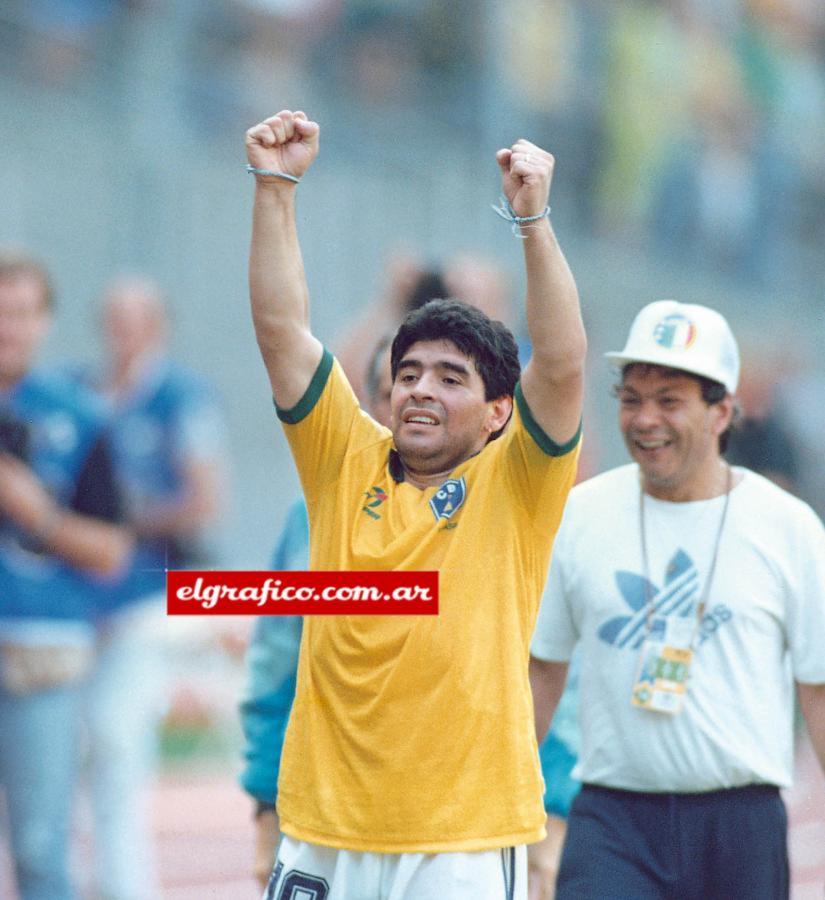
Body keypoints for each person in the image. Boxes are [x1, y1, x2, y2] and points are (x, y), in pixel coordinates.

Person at [245, 109, 585, 897]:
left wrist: (532, 223)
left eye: (450, 376)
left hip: (457, 842)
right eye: (408, 373)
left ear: (498, 409)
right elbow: (279, 331)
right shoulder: (342, 461)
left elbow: (562, 366)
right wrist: (274, 187)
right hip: (322, 828)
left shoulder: (518, 482)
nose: (420, 389)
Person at [530, 299, 825, 900]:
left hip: (740, 826)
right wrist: (493, 800)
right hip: (613, 821)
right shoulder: (582, 513)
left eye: (669, 400)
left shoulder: (788, 527)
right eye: (631, 398)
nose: (645, 419)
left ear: (722, 411)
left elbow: (817, 689)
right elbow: (542, 669)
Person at [74, 276, 227, 900]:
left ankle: (124, 885)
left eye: (136, 319)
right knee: (72, 747)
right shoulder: (82, 391)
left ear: (159, 326)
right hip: (78, 596)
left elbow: (206, 500)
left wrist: (120, 517)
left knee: (116, 738)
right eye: (115, 318)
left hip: (147, 589)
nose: (124, 332)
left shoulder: (182, 399)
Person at [0, 250, 133, 900]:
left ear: (46, 321)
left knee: (39, 846)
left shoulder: (79, 417)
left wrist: (39, 515)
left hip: (39, 653)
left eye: (22, 312)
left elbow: (112, 550)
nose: (8, 326)